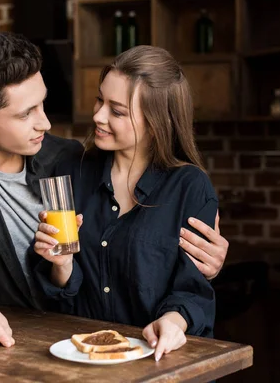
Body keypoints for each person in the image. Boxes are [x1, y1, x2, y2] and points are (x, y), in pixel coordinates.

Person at [0, 32, 229, 348]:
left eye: (43, 104)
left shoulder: (67, 158)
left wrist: (201, 274)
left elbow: (180, 276)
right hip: (22, 344)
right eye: (27, 113)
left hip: (119, 348)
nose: (46, 123)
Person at [34, 45, 219, 361]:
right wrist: (61, 264)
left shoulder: (190, 187)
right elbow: (60, 295)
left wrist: (173, 321)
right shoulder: (71, 171)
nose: (98, 116)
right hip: (83, 362)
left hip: (160, 361)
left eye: (117, 111)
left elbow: (193, 290)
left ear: (158, 121)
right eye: (99, 100)